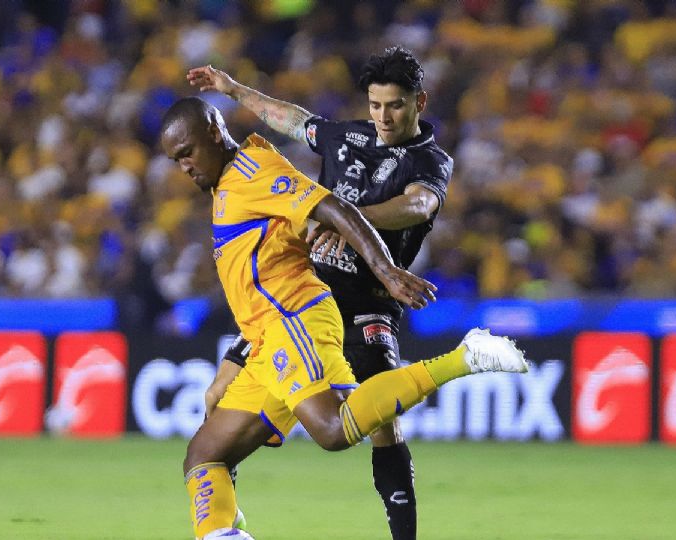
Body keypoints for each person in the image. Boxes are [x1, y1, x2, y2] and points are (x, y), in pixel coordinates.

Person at [163, 96, 528, 539]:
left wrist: (388, 271)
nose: (183, 166)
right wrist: (237, 355)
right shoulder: (229, 181)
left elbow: (335, 208)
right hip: (265, 337)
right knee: (204, 455)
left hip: (295, 320)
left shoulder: (251, 172)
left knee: (334, 431)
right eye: (175, 159)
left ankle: (465, 357)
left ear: (214, 135)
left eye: (187, 153)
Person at [188, 46, 450, 539]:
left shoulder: (431, 161)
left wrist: (345, 220)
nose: (382, 117)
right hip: (299, 299)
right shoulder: (347, 137)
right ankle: (226, 521)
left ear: (420, 102)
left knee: (382, 425)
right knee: (217, 395)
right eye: (374, 105)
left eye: (394, 105)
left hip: (371, 300)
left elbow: (417, 205)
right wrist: (235, 90)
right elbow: (294, 120)